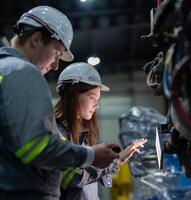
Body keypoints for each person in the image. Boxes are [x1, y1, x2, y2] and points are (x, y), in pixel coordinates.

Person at [0, 6, 121, 200]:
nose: (56, 65)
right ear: (36, 39)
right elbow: (36, 147)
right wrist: (91, 156)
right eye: (56, 53)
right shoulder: (22, 72)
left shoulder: (4, 70)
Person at [54, 62, 146, 200]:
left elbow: (88, 181)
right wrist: (114, 161)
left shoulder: (80, 137)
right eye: (92, 98)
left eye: (97, 99)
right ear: (72, 95)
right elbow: (72, 177)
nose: (96, 105)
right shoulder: (57, 133)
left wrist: (115, 160)